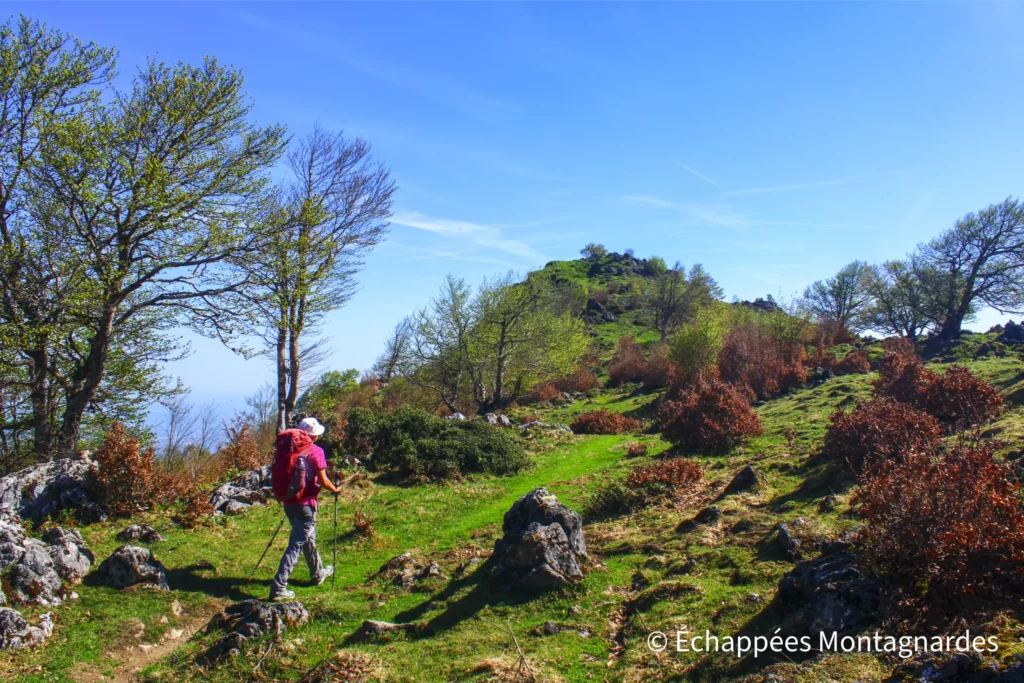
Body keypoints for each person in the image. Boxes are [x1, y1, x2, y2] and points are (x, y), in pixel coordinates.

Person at [269, 416, 342, 601]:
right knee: (295, 545)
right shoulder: (315, 451)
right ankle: (279, 587)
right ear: (313, 435)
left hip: (289, 502)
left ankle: (317, 573)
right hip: (306, 505)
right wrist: (335, 489)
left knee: (307, 539)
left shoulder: (288, 452)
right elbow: (324, 481)